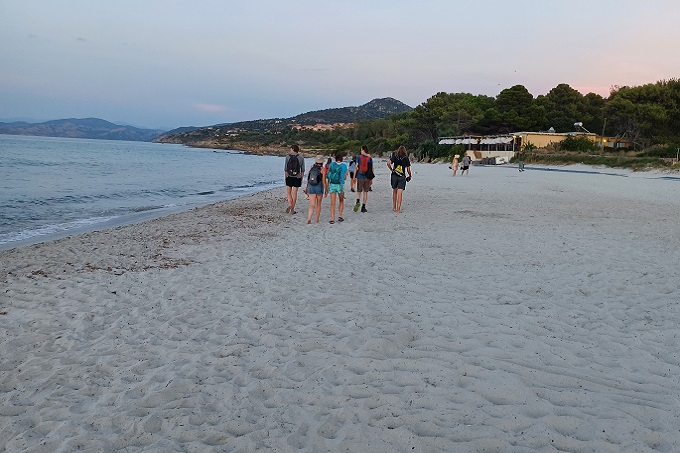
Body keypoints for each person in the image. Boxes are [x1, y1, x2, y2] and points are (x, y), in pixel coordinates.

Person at [387, 145, 412, 213]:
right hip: (402, 177)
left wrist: (392, 170)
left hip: (394, 176)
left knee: (394, 191)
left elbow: (388, 163)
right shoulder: (406, 158)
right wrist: (410, 175)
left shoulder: (395, 157)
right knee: (400, 192)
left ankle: (394, 207)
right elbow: (408, 169)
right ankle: (398, 209)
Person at [327, 153, 348, 224]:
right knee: (341, 201)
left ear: (335, 159)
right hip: (340, 184)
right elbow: (345, 177)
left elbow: (329, 174)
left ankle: (332, 218)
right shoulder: (344, 166)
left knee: (332, 203)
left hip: (332, 184)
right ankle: (340, 216)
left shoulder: (332, 164)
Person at [305, 156, 327, 224]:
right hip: (319, 186)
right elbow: (323, 181)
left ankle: (309, 218)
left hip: (311, 186)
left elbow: (308, 178)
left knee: (312, 204)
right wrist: (326, 190)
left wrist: (307, 187)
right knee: (318, 204)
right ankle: (317, 219)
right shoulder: (322, 169)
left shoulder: (311, 167)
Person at [284, 145, 305, 214]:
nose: (290, 150)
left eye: (290, 149)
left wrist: (286, 177)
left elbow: (285, 169)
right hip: (297, 177)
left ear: (293, 149)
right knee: (294, 193)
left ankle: (290, 204)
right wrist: (301, 179)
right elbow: (302, 170)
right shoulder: (301, 157)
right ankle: (292, 210)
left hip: (289, 176)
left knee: (288, 193)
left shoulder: (287, 157)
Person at [352, 145, 373, 213]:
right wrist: (371, 179)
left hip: (360, 176)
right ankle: (363, 207)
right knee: (365, 192)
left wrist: (354, 177)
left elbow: (356, 167)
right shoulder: (369, 158)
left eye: (361, 150)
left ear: (363, 150)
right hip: (367, 177)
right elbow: (371, 168)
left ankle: (358, 201)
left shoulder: (359, 157)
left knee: (359, 191)